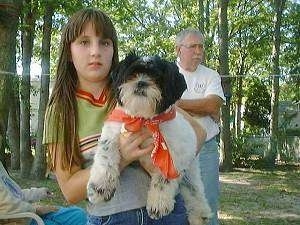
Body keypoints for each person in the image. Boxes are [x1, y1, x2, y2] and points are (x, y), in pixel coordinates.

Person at [43, 8, 206, 225]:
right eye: (84, 42)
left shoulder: (144, 93)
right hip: (111, 218)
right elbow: (70, 192)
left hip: (168, 212)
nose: (95, 51)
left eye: (105, 43)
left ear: (113, 50)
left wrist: (164, 165)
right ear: (68, 51)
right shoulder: (60, 111)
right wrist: (124, 156)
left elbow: (199, 133)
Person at [175, 28, 225, 225]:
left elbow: (212, 104)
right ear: (179, 49)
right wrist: (202, 108)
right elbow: (159, 108)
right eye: (193, 46)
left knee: (206, 205)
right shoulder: (165, 73)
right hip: (172, 148)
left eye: (201, 46)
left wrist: (177, 104)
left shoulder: (211, 75)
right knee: (173, 205)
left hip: (205, 150)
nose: (198, 51)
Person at [0, 161, 86, 225]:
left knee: (79, 214)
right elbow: (8, 207)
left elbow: (15, 194)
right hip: (20, 220)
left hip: (29, 213)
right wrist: (36, 210)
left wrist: (39, 192)